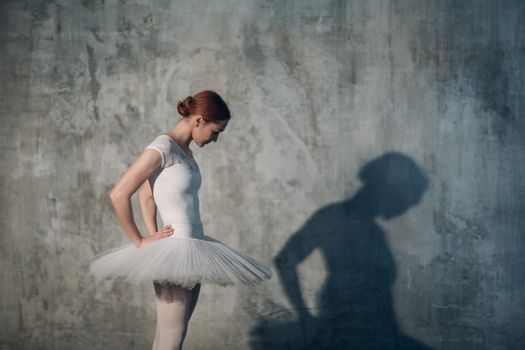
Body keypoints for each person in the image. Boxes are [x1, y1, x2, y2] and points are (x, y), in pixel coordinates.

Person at [89, 90, 273, 350]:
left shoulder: (182, 150)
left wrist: (154, 238)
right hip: (178, 248)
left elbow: (147, 195)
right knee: (172, 338)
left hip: (192, 246)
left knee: (170, 335)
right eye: (216, 131)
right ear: (199, 120)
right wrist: (142, 242)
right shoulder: (162, 147)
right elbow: (119, 194)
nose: (216, 139)